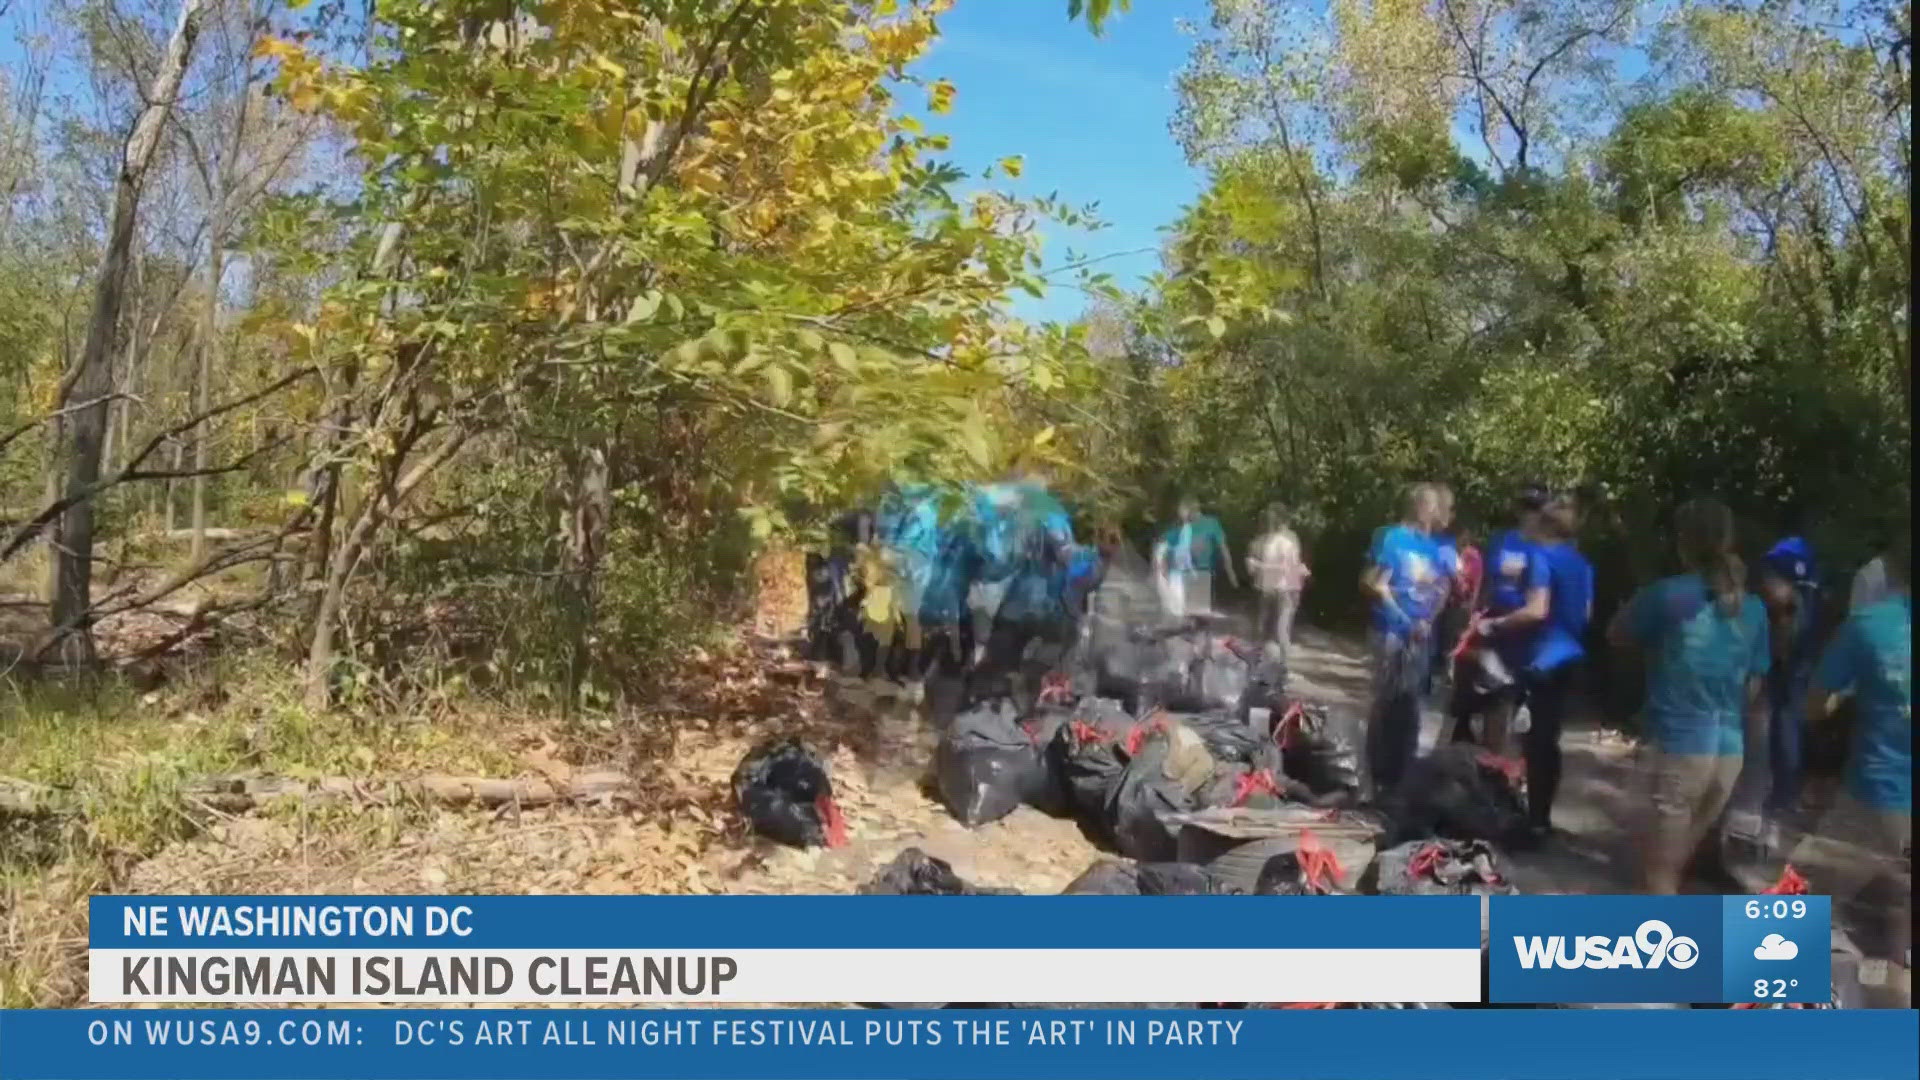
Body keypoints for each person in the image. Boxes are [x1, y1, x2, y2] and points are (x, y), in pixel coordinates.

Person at [1607, 498, 1770, 895]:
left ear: (1682, 542)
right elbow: (1753, 686)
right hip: (1728, 753)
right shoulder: (1753, 607)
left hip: (1680, 746)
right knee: (1673, 867)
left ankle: (1661, 952)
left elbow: (1616, 635)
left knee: (1660, 878)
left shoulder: (1667, 596)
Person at [1789, 528, 1909, 1008]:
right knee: (1896, 936)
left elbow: (1813, 708)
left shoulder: (1870, 625)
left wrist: (1857, 691)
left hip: (1877, 799)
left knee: (1788, 910)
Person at [1449, 486, 1553, 755]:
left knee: (1502, 705)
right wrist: (1473, 614)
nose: (1530, 515)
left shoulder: (1545, 549)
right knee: (1468, 694)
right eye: (1527, 508)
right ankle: (1463, 753)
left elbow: (1540, 606)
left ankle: (1495, 770)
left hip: (1521, 631)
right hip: (1490, 623)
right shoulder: (1501, 540)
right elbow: (1487, 584)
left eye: (1537, 509)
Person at [1362, 482, 1445, 794]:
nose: (1437, 514)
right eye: (1434, 507)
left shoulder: (1432, 547)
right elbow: (1378, 584)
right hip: (1391, 632)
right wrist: (1405, 620)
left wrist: (1427, 620)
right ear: (1421, 507)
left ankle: (1401, 775)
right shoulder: (1394, 539)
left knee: (1411, 704)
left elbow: (1440, 589)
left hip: (1420, 635)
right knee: (1385, 701)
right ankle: (1373, 774)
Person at [1524, 487, 1595, 841]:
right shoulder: (1582, 564)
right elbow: (1586, 615)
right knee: (1549, 738)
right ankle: (1542, 814)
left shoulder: (1541, 557)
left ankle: (1531, 818)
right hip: (1569, 656)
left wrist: (1496, 623)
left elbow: (1536, 610)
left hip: (1540, 657)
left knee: (1532, 738)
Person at [1153, 495, 1236, 621]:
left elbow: (1223, 548)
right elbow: (1164, 547)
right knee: (1188, 613)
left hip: (1201, 572)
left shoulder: (1210, 523)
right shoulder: (1185, 527)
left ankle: (1198, 632)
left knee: (1198, 613)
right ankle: (1193, 632)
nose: (1182, 517)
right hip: (1185, 573)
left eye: (1183, 513)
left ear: (1191, 510)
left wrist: (1230, 572)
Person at [1247, 504, 1309, 664]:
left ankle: (1283, 669)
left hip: (1285, 591)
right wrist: (1253, 566)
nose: (1267, 524)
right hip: (1266, 590)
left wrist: (1259, 566)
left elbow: (1288, 568)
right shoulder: (1262, 542)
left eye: (1270, 522)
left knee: (1281, 632)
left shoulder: (1286, 542)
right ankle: (1260, 667)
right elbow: (1252, 568)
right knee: (1262, 631)